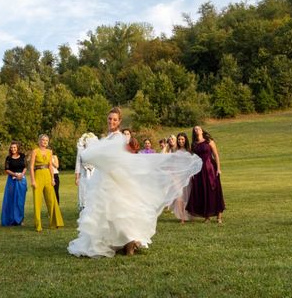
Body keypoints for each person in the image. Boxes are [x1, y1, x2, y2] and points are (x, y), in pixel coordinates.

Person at [68, 107, 202, 258]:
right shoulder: (108, 137)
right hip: (104, 178)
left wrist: (92, 150)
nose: (111, 121)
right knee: (109, 213)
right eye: (109, 118)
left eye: (114, 119)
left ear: (119, 122)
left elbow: (112, 158)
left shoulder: (118, 137)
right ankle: (118, 242)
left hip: (113, 180)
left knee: (120, 211)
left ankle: (129, 242)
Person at [186, 126, 225, 223]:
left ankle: (219, 216)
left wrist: (218, 169)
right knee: (203, 192)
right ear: (194, 132)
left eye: (198, 128)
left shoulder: (209, 141)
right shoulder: (194, 144)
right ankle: (207, 216)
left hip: (210, 168)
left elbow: (216, 155)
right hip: (199, 170)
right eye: (195, 129)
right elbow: (192, 159)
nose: (196, 130)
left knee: (214, 191)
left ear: (202, 130)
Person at [29, 134, 64, 232]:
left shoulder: (50, 152)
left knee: (51, 199)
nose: (44, 142)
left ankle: (54, 222)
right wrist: (33, 180)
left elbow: (50, 166)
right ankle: (38, 225)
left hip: (48, 176)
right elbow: (31, 167)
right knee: (37, 201)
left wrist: (53, 179)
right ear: (39, 141)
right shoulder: (35, 151)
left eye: (46, 140)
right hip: (38, 175)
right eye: (43, 140)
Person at [1, 141, 27, 226]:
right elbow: (6, 169)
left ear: (18, 148)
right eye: (11, 147)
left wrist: (21, 175)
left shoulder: (23, 156)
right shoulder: (8, 158)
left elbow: (25, 167)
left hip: (21, 180)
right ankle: (10, 220)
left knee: (20, 200)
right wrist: (15, 174)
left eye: (14, 147)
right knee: (10, 200)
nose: (13, 149)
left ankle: (20, 220)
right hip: (11, 180)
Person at [170, 133, 192, 223]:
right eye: (179, 139)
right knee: (179, 197)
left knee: (187, 197)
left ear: (185, 140)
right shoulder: (175, 150)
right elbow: (171, 163)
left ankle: (187, 215)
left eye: (182, 139)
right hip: (177, 176)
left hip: (187, 176)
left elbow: (191, 164)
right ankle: (182, 217)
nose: (181, 141)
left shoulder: (189, 151)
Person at [74, 132, 98, 210]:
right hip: (84, 173)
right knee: (83, 191)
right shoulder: (81, 151)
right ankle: (83, 207)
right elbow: (78, 164)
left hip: (94, 173)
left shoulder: (96, 151)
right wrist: (77, 177)